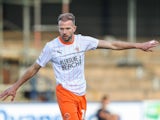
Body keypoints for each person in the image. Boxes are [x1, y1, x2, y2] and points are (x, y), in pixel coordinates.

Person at [0, 13, 159, 120]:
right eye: (61, 29)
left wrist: (138, 45)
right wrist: (15, 86)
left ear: (74, 28)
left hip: (81, 95)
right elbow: (34, 68)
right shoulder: (51, 47)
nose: (64, 32)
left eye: (68, 28)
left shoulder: (83, 41)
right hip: (64, 93)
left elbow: (112, 44)